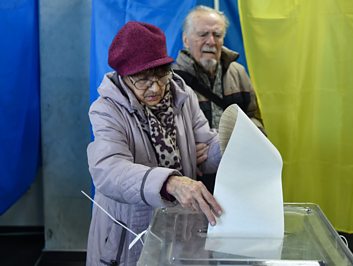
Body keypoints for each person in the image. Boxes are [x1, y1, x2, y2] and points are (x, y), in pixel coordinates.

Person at [86, 21, 223, 266]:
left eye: (161, 74)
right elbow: (107, 170)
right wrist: (169, 182)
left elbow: (207, 146)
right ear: (125, 76)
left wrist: (230, 148)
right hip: (129, 232)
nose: (156, 87)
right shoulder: (106, 109)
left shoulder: (182, 96)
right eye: (142, 79)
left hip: (179, 228)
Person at [173, 5, 264, 192]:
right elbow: (163, 134)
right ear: (186, 40)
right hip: (193, 182)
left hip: (237, 176)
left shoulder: (238, 73)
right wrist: (186, 151)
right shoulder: (173, 81)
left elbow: (255, 118)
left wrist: (239, 141)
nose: (211, 41)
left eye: (217, 35)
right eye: (203, 34)